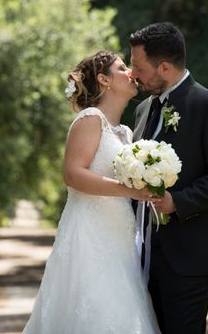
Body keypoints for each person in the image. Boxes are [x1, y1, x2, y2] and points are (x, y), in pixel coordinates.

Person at [23, 51, 160, 334]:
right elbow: (73, 174)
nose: (132, 72)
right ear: (103, 79)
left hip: (120, 234)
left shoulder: (124, 132)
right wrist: (130, 191)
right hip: (89, 233)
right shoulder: (90, 119)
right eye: (122, 68)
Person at [128, 22, 208, 334]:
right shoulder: (142, 110)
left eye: (138, 66)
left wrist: (177, 201)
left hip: (191, 254)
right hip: (144, 255)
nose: (133, 74)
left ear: (164, 67)